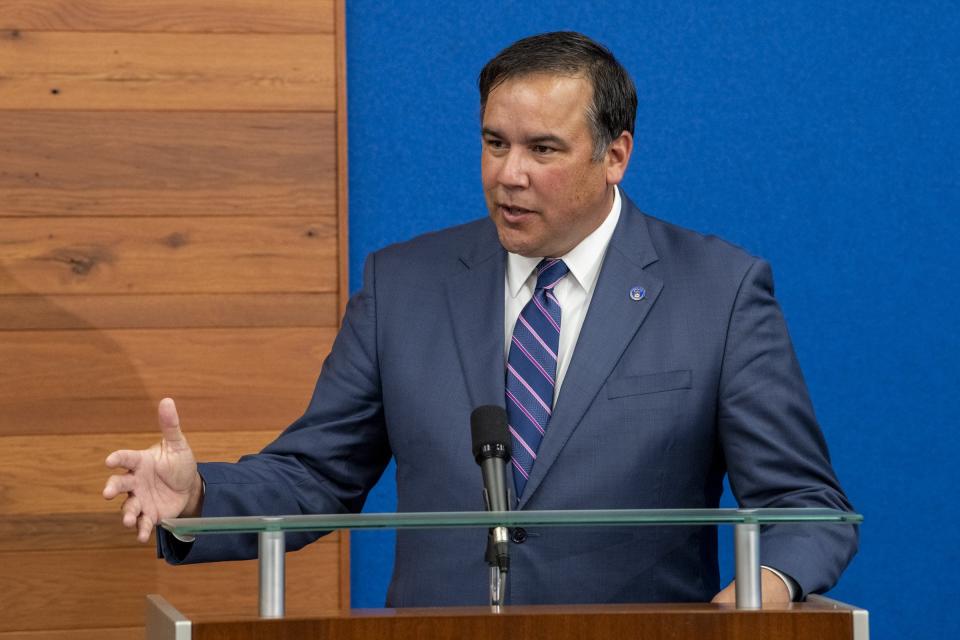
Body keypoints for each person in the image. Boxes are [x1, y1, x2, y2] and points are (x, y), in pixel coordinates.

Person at [103, 31, 857, 606]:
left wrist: (770, 586)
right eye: (494, 143)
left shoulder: (717, 292)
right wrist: (200, 498)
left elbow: (806, 506)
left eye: (543, 149)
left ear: (615, 154)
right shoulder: (404, 284)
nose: (509, 174)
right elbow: (316, 475)